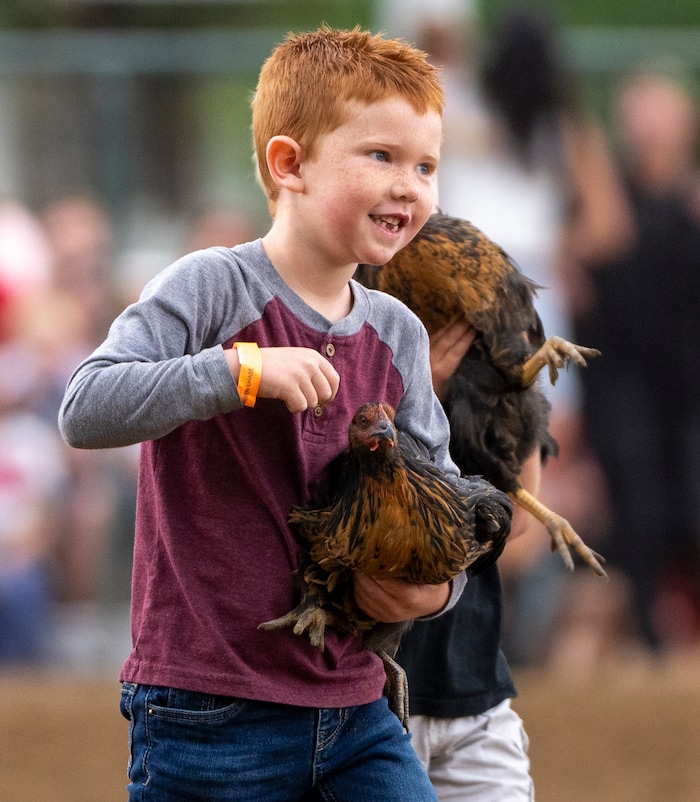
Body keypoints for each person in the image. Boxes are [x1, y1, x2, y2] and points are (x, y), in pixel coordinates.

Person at [58, 25, 477, 802]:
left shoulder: (398, 335)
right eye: (380, 157)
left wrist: (433, 591)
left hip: (357, 707)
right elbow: (86, 408)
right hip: (207, 711)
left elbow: (442, 503)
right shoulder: (212, 286)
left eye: (426, 165)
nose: (410, 186)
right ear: (289, 165)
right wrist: (239, 370)